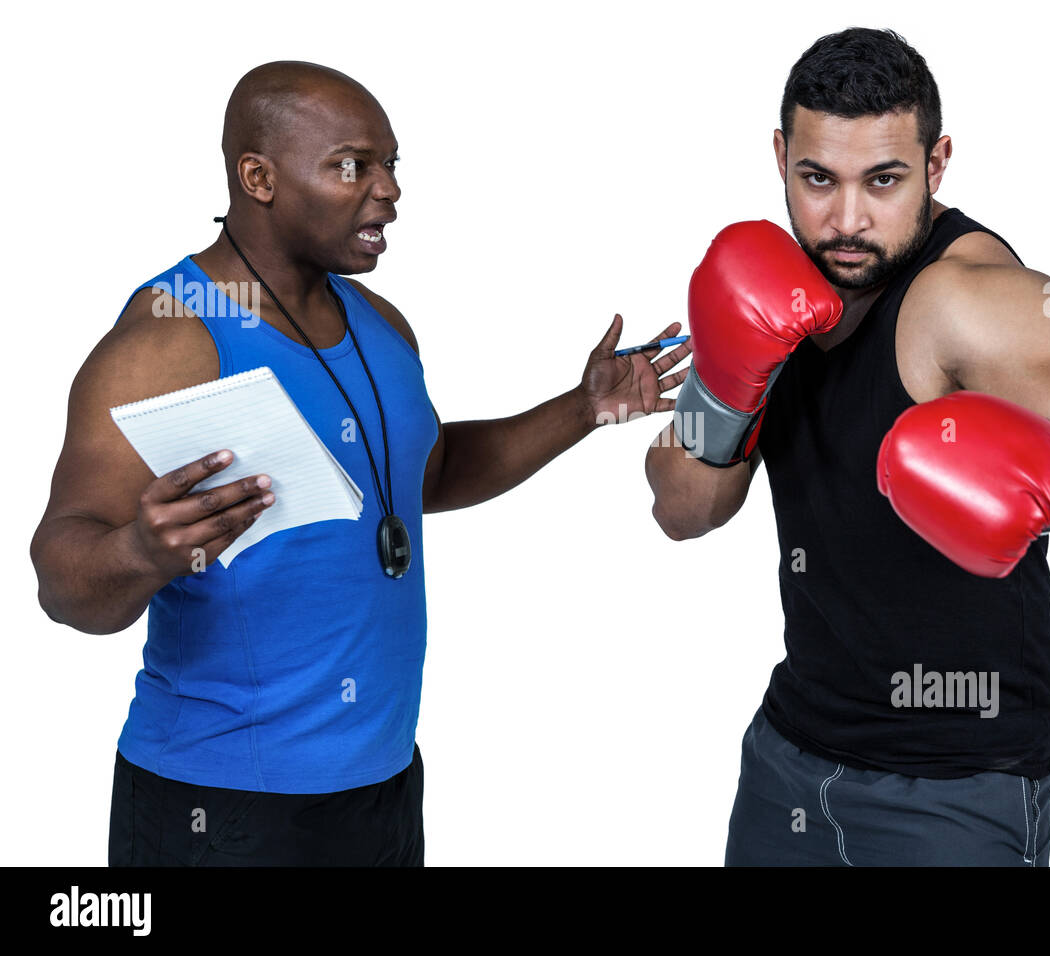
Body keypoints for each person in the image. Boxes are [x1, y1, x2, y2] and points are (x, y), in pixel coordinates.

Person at [30, 60, 689, 866]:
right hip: (219, 806)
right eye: (351, 165)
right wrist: (140, 551)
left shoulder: (379, 322)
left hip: (380, 786)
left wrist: (584, 409)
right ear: (258, 176)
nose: (388, 192)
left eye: (390, 165)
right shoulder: (170, 339)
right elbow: (62, 583)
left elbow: (428, 474)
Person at [645, 27, 1050, 866]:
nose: (848, 220)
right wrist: (724, 386)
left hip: (958, 786)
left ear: (937, 165)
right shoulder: (768, 281)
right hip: (788, 756)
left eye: (885, 180)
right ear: (782, 155)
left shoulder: (969, 299)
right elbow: (683, 511)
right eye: (818, 179)